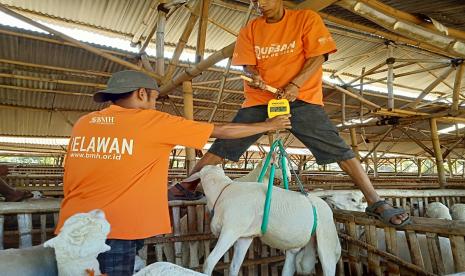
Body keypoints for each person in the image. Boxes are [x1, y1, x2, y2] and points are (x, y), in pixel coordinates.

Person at [169, 0, 410, 227]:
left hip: (302, 99)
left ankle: (375, 201)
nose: (259, 4)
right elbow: (247, 62)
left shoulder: (305, 19)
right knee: (224, 145)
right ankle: (187, 185)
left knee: (339, 149)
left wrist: (296, 84)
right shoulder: (250, 30)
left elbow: (318, 56)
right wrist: (255, 76)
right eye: (254, 0)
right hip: (261, 100)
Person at [54, 70, 290, 276]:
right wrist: (269, 126)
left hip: (71, 228)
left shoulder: (84, 123)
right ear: (141, 94)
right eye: (155, 97)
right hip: (115, 228)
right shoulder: (152, 121)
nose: (155, 104)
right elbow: (221, 130)